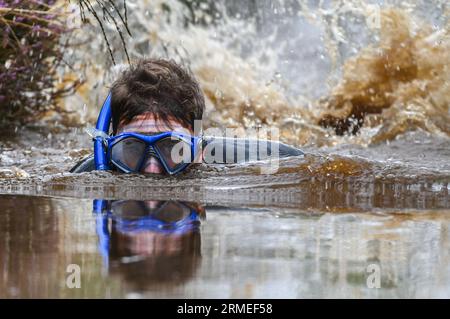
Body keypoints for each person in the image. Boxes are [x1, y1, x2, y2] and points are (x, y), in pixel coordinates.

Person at [70, 58, 303, 174]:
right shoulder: (93, 168)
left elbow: (305, 162)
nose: (152, 169)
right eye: (132, 147)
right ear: (110, 148)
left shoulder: (254, 158)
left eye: (172, 147)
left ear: (198, 148)